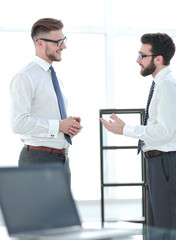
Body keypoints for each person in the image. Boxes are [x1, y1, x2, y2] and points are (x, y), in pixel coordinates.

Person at [100, 33, 176, 230]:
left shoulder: (168, 85)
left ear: (158, 59)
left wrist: (125, 129)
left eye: (142, 55)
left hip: (165, 163)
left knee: (165, 228)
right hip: (157, 162)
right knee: (156, 227)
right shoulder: (160, 84)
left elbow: (164, 132)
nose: (137, 60)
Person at [10, 18, 82, 182]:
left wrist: (67, 126)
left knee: (61, 209)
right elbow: (18, 123)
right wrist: (58, 125)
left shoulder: (53, 77)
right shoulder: (25, 76)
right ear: (40, 43)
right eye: (58, 42)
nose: (64, 46)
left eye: (63, 40)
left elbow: (49, 118)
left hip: (61, 160)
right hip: (38, 160)